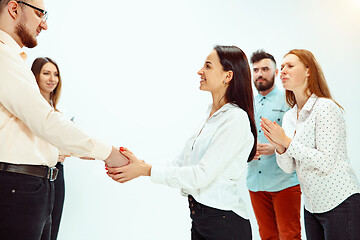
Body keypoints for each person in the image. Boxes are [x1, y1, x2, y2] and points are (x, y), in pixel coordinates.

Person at [0, 1, 128, 239]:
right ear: (14, 9)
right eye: (40, 14)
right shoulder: (3, 57)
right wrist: (108, 152)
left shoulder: (14, 59)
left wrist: (81, 150)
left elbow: (31, 128)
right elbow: (44, 122)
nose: (45, 25)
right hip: (17, 186)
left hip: (34, 186)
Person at [108, 45, 257, 240]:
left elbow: (201, 175)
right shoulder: (210, 115)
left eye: (208, 66)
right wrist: (141, 165)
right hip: (201, 219)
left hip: (224, 224)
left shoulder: (235, 119)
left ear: (227, 76)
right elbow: (181, 163)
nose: (200, 71)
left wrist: (145, 170)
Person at [260, 49, 360, 240]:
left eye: (290, 66)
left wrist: (286, 142)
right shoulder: (289, 116)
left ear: (308, 71)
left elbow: (325, 161)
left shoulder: (325, 107)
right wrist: (281, 147)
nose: (283, 71)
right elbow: (289, 167)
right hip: (312, 207)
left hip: (340, 202)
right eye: (281, 67)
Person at [247, 50, 301, 239]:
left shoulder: (289, 100)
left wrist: (276, 147)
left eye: (265, 69)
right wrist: (248, 150)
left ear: (276, 72)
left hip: (284, 182)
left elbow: (300, 138)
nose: (260, 73)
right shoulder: (247, 104)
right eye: (255, 70)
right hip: (255, 183)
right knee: (267, 236)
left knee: (289, 235)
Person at [31, 57, 68, 240]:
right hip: (35, 176)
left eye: (56, 74)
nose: (52, 78)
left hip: (57, 175)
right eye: (46, 73)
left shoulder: (59, 113)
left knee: (52, 231)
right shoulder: (27, 108)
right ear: (35, 76)